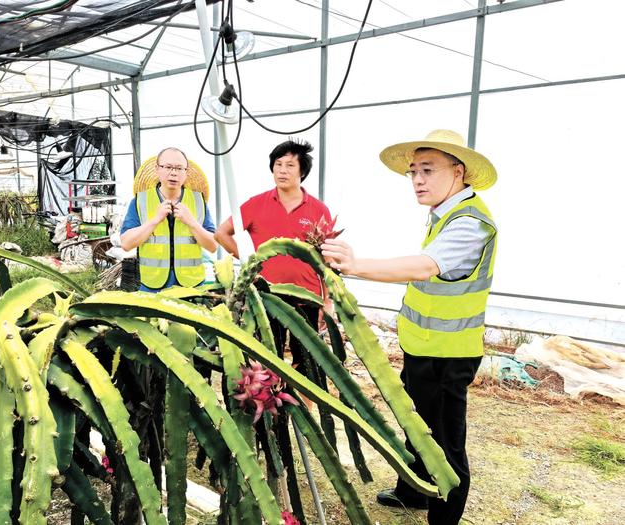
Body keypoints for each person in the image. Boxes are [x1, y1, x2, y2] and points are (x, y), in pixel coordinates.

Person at [321, 130, 498, 525]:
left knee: (445, 443)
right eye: (413, 171)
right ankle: (413, 491)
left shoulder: (471, 223)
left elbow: (424, 267)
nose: (417, 180)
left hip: (449, 354)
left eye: (428, 170)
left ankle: (443, 518)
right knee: (416, 422)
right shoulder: (444, 214)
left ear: (459, 171)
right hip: (423, 345)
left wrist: (356, 265)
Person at [214, 138, 333, 364]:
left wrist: (327, 301)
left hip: (306, 297)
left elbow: (326, 258)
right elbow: (221, 233)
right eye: (278, 164)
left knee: (307, 362)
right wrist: (252, 262)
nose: (282, 171)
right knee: (268, 359)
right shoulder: (256, 203)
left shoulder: (318, 209)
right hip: (266, 296)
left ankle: (303, 401)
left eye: (289, 165)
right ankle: (274, 398)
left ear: (302, 171)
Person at [120, 147, 217, 292]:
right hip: (152, 287)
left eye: (179, 168)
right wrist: (154, 220)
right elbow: (126, 244)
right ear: (157, 169)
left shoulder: (198, 201)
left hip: (192, 287)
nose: (173, 173)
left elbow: (213, 246)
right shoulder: (140, 201)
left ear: (186, 172)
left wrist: (191, 222)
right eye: (168, 167)